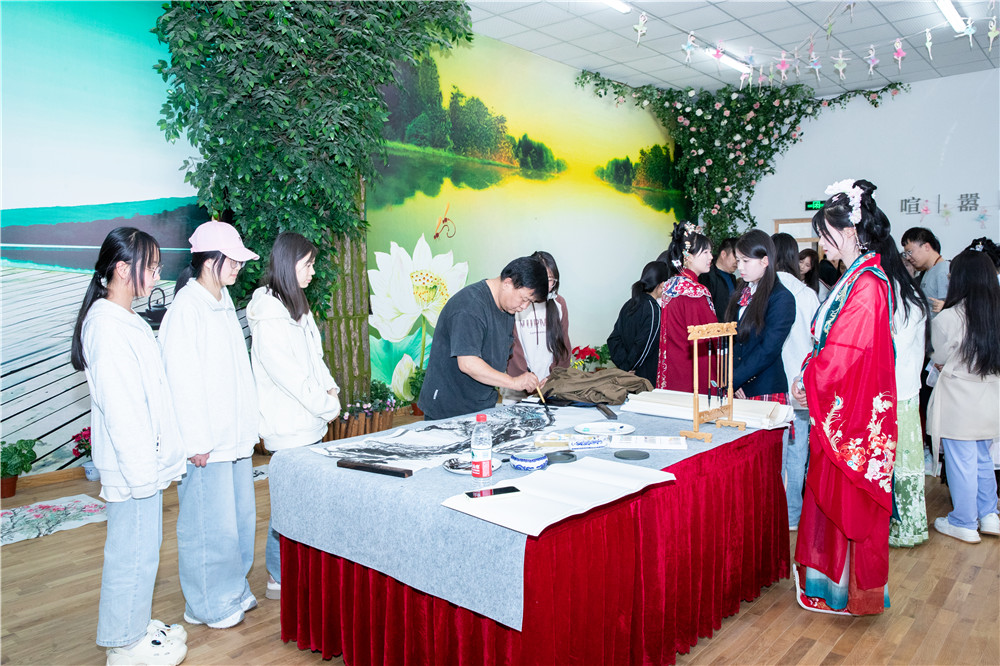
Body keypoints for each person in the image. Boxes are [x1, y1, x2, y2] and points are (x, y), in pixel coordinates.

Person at [70, 227, 188, 665]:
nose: (157, 275)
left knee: (142, 551)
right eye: (151, 267)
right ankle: (123, 644)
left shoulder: (127, 319)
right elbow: (123, 412)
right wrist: (142, 475)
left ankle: (134, 626)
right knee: (131, 555)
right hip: (133, 467)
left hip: (145, 463)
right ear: (123, 269)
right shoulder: (106, 327)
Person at [790, 178, 897, 616]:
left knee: (843, 500)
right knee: (829, 499)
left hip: (851, 412)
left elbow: (846, 353)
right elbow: (832, 345)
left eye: (825, 234)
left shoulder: (868, 283)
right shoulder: (856, 277)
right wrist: (808, 372)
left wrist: (810, 376)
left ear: (850, 231)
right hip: (841, 404)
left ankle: (843, 591)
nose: (820, 243)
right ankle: (829, 585)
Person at [157, 221, 260, 629]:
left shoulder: (223, 301)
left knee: (237, 520)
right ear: (207, 261)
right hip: (207, 443)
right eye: (230, 260)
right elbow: (180, 380)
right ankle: (206, 602)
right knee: (207, 524)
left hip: (233, 436)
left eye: (238, 260)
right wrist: (196, 440)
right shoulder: (187, 308)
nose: (237, 266)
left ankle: (232, 587)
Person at [246, 232, 343, 601]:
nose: (313, 272)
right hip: (289, 426)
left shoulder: (295, 304)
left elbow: (315, 360)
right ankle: (278, 574)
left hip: (309, 421)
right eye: (308, 265)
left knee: (303, 501)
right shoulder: (269, 315)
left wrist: (330, 390)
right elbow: (288, 376)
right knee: (287, 505)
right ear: (289, 264)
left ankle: (297, 570)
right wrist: (327, 404)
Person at [418, 256, 548, 420]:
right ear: (507, 283)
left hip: (481, 406)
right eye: (524, 299)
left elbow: (500, 356)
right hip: (449, 409)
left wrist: (526, 380)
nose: (524, 307)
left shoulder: (507, 308)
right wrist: (514, 382)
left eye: (530, 302)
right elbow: (468, 363)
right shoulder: (469, 306)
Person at [927, 249, 1000, 543]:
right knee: (983, 458)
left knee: (961, 461)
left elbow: (939, 357)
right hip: (990, 398)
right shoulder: (995, 315)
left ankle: (964, 521)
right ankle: (989, 514)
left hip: (959, 400)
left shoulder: (948, 317)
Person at [871, 232, 930, 547]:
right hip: (900, 389)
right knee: (897, 461)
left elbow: (892, 347)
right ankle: (899, 524)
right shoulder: (904, 290)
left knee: (899, 463)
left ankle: (904, 526)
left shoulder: (895, 293)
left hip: (896, 391)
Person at [772, 233, 821, 530]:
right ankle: (791, 513)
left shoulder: (762, 291)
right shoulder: (806, 295)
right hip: (799, 384)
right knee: (797, 450)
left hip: (769, 386)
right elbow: (817, 343)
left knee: (772, 453)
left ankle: (773, 512)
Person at [725, 230, 794, 401]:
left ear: (765, 261)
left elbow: (768, 349)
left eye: (746, 261)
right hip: (737, 387)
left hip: (764, 388)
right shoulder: (742, 291)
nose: (740, 267)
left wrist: (735, 379)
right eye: (738, 260)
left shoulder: (781, 297)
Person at [655, 222, 717, 393]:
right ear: (687, 256)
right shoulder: (695, 292)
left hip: (673, 368)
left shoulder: (671, 285)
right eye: (706, 252)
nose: (711, 257)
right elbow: (708, 337)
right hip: (693, 374)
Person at [506, 251, 571, 390]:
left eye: (550, 279)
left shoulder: (559, 303)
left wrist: (552, 378)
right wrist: (523, 378)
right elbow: (511, 347)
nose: (546, 284)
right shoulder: (517, 302)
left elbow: (563, 346)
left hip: (549, 386)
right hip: (517, 384)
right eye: (541, 278)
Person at [607, 260, 670, 385]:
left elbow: (613, 339)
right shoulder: (654, 310)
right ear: (662, 284)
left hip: (626, 375)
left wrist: (624, 367)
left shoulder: (629, 304)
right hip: (643, 377)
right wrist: (630, 367)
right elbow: (644, 346)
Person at [901, 227, 948, 317]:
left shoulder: (943, 270)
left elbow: (947, 308)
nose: (907, 257)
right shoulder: (927, 271)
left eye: (910, 252)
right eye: (905, 254)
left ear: (926, 247)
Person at [699, 236, 738, 316]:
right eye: (736, 257)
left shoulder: (732, 278)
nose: (738, 262)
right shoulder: (707, 277)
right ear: (723, 254)